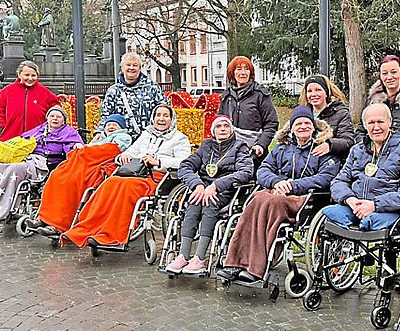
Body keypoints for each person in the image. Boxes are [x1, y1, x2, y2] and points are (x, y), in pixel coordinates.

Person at [218, 106, 340, 283]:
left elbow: (325, 177)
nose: (303, 126)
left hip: (304, 199)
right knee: (257, 197)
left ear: (314, 127)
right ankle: (235, 263)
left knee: (273, 201)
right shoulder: (281, 148)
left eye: (307, 123)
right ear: (291, 128)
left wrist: (291, 186)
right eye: (298, 123)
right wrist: (277, 182)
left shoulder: (323, 149)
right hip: (276, 193)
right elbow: (263, 170)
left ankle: (256, 268)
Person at [61, 105, 192, 248]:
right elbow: (131, 151)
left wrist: (158, 161)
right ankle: (88, 229)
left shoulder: (179, 138)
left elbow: (184, 162)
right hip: (137, 172)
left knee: (126, 187)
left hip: (158, 177)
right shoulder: (147, 134)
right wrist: (124, 156)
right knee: (109, 183)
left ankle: (112, 234)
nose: (161, 119)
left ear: (172, 119)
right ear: (153, 118)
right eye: (158, 115)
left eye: (166, 116)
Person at [167, 115, 254, 275]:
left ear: (231, 129)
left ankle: (200, 258)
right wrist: (197, 184)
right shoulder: (206, 146)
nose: (222, 129)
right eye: (218, 126)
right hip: (203, 188)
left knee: (208, 203)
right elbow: (185, 166)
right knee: (193, 204)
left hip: (226, 191)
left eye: (226, 126)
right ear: (213, 130)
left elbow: (246, 172)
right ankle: (183, 255)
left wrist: (216, 185)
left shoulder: (239, 147)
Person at [0, 106, 81, 228]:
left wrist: (75, 147)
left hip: (44, 162)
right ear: (47, 118)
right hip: (26, 157)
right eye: (52, 116)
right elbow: (22, 139)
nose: (54, 119)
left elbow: (73, 147)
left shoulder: (69, 132)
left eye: (58, 117)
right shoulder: (40, 129)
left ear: (64, 120)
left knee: (15, 169)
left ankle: (3, 209)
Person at [321, 103, 400, 231]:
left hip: (388, 210)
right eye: (371, 123)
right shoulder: (357, 150)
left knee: (370, 222)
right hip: (355, 207)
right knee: (329, 213)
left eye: (381, 122)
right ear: (365, 126)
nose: (376, 127)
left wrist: (374, 205)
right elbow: (339, 181)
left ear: (390, 123)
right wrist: (350, 199)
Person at [34, 114, 134, 236]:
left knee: (72, 182)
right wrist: (82, 148)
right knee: (56, 176)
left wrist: (85, 151)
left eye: (115, 125)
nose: (111, 127)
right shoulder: (101, 138)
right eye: (108, 124)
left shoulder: (123, 137)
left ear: (121, 128)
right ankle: (44, 218)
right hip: (85, 163)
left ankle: (60, 224)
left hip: (98, 165)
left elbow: (111, 150)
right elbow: (87, 150)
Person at [218, 56, 279, 161]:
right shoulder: (226, 97)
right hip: (230, 152)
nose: (243, 72)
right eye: (239, 69)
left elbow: (271, 123)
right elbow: (220, 123)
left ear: (251, 73)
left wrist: (261, 144)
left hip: (255, 152)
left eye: (246, 69)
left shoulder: (260, 95)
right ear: (232, 73)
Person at [97, 52, 169, 139]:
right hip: (121, 140)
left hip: (148, 139)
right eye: (128, 65)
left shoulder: (152, 87)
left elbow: (165, 110)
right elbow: (106, 115)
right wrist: (99, 133)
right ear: (122, 67)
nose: (131, 68)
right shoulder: (114, 91)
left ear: (140, 68)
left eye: (135, 65)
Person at [0, 61, 59, 142]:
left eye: (33, 75)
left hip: (37, 139)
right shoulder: (7, 91)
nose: (30, 78)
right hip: (10, 138)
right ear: (19, 74)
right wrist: (1, 128)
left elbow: (56, 110)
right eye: (27, 75)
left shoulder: (45, 92)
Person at [298, 74, 355, 160]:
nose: (313, 94)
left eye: (318, 90)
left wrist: (330, 145)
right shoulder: (302, 113)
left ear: (326, 93)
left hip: (331, 161)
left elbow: (348, 141)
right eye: (309, 91)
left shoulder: (341, 113)